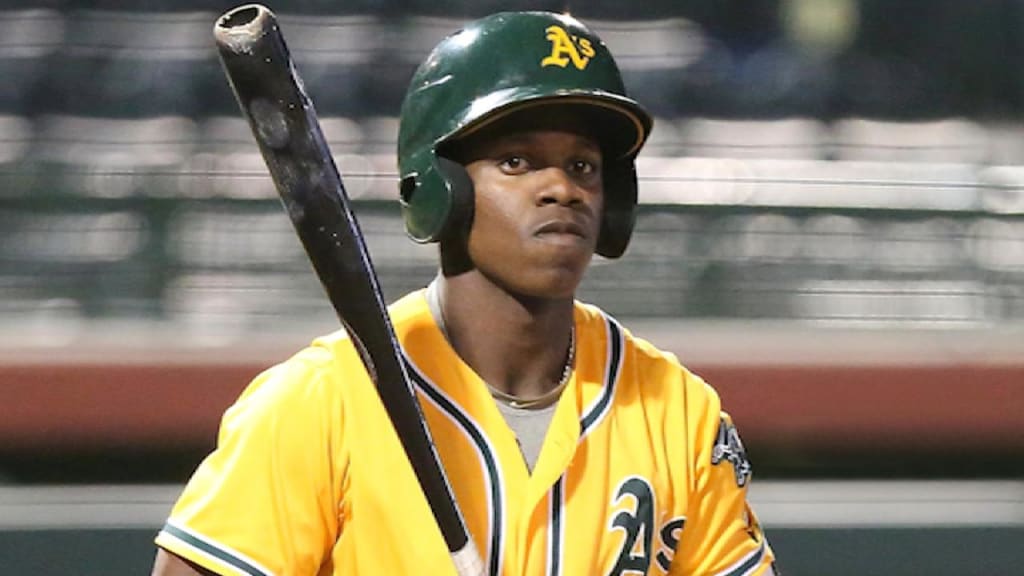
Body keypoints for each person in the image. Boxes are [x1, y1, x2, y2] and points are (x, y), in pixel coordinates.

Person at [152, 11, 778, 576]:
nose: (561, 188)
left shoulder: (678, 409)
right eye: (516, 161)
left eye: (583, 166)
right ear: (440, 187)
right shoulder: (323, 400)